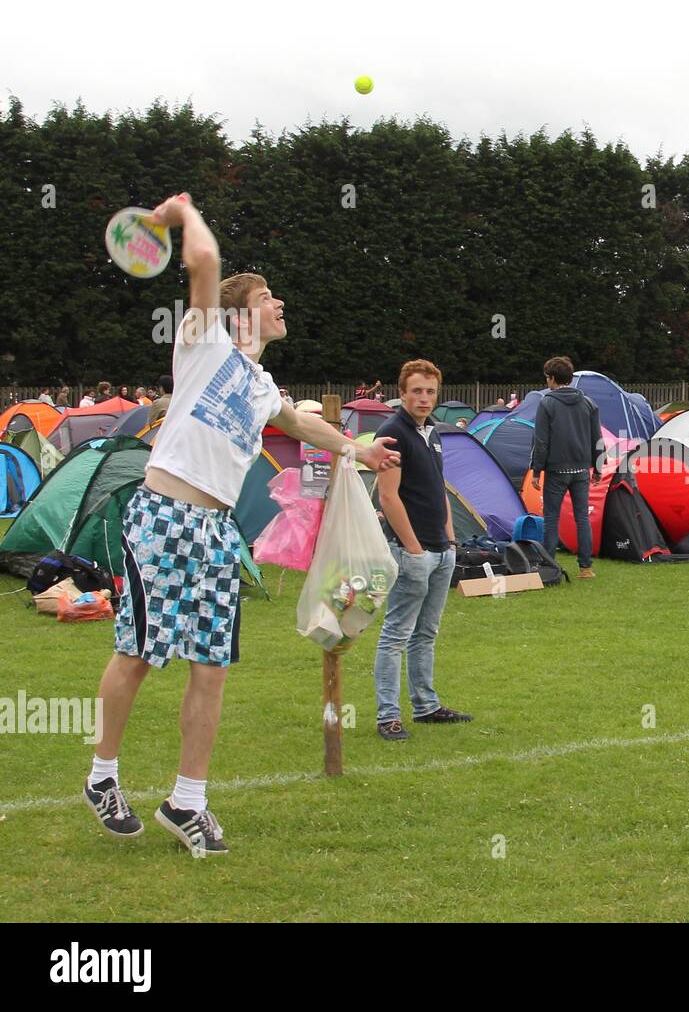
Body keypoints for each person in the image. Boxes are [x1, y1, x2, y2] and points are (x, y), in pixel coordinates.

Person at [83, 192, 400, 857]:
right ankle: (103, 775)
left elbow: (299, 421)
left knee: (212, 665)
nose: (281, 304)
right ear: (241, 309)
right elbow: (200, 256)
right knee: (139, 652)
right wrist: (179, 211)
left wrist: (358, 449)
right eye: (271, 296)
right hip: (165, 514)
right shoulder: (203, 340)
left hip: (216, 531)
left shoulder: (259, 384)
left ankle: (187, 801)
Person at [372, 359, 472, 742]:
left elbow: (438, 487)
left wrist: (449, 538)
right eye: (417, 391)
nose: (424, 398)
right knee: (396, 633)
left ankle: (426, 705)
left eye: (430, 391)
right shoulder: (393, 433)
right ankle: (388, 716)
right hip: (411, 551)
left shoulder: (432, 432)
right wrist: (413, 548)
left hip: (441, 549)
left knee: (426, 633)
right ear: (402, 393)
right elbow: (388, 496)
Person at [530, 356, 602, 579]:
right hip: (581, 470)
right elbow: (596, 437)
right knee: (582, 518)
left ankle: (550, 567)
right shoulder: (588, 403)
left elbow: (541, 441)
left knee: (552, 518)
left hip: (556, 470)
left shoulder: (547, 403)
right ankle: (586, 568)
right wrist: (599, 467)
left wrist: (536, 470)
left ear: (551, 378)